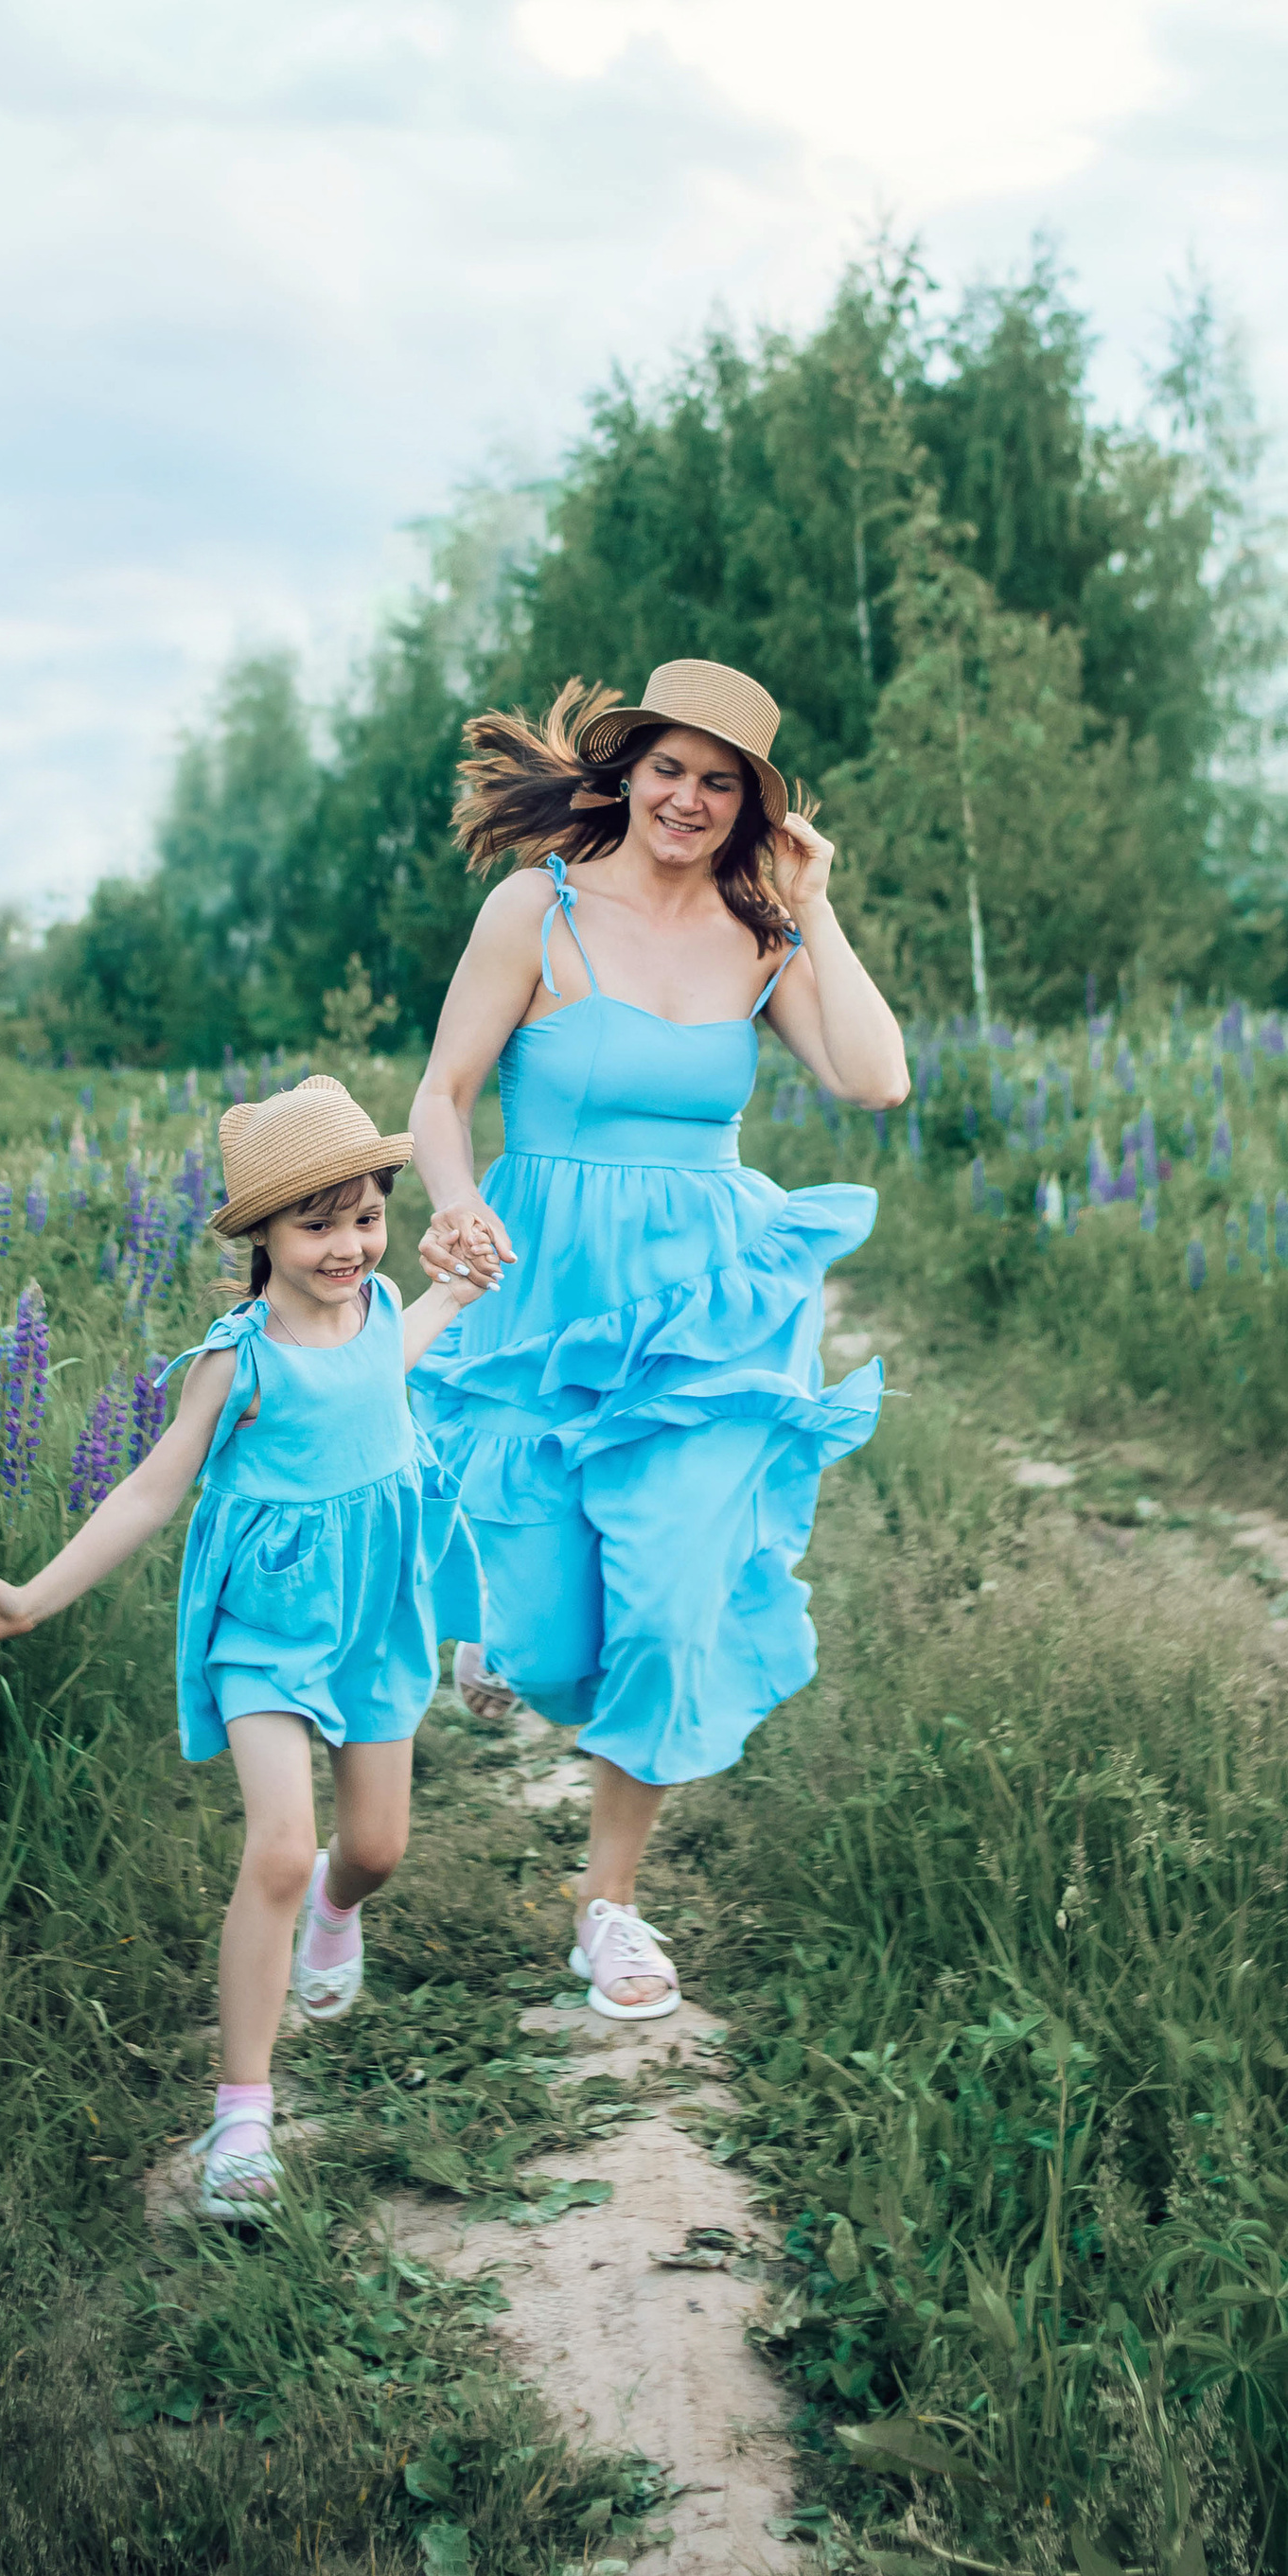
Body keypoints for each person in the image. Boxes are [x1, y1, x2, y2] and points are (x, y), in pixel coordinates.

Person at [407, 657, 909, 2023]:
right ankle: (497, 1631)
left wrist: (815, 904)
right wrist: (453, 1207)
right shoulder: (538, 908)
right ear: (627, 771)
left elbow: (875, 1078)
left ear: (753, 804)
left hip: (708, 1304)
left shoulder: (764, 931)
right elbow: (445, 1093)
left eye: (721, 780)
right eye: (670, 768)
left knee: (674, 1594)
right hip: (542, 1280)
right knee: (558, 1635)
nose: (689, 798)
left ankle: (610, 1904)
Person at [0, 1074, 487, 2221]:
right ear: (262, 1236)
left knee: (370, 1850)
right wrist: (30, 1597)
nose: (348, 1245)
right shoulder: (239, 1361)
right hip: (267, 1627)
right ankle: (242, 2117)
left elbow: (395, 1358)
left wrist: (458, 1289)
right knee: (279, 1849)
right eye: (315, 1224)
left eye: (366, 1216)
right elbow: (147, 1491)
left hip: (377, 1612)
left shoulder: (380, 1312)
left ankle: (341, 1912)